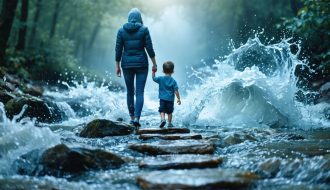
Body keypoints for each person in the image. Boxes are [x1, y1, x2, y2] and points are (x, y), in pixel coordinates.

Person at [115, 8, 157, 127]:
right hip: (142, 64)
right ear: (139, 18)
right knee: (139, 92)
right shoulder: (144, 30)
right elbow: (149, 48)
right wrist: (154, 63)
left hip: (126, 65)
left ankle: (131, 117)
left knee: (130, 92)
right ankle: (137, 118)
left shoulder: (121, 31)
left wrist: (117, 65)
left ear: (129, 18)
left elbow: (118, 50)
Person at [152, 61, 181, 128]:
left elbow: (153, 78)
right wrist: (178, 98)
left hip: (162, 98)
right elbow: (176, 91)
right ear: (173, 71)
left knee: (162, 110)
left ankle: (163, 119)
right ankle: (169, 123)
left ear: (163, 70)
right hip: (170, 100)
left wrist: (153, 71)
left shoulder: (160, 79)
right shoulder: (173, 81)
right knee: (170, 112)